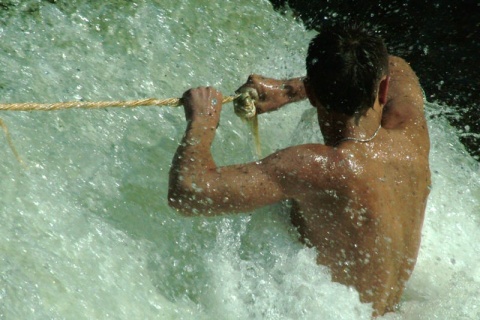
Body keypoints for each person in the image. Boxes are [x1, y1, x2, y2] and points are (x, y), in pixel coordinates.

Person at [168, 24, 431, 317]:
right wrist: (290, 89)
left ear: (315, 95)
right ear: (382, 88)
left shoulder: (319, 167)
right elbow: (396, 64)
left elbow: (188, 191)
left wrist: (202, 121)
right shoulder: (410, 131)